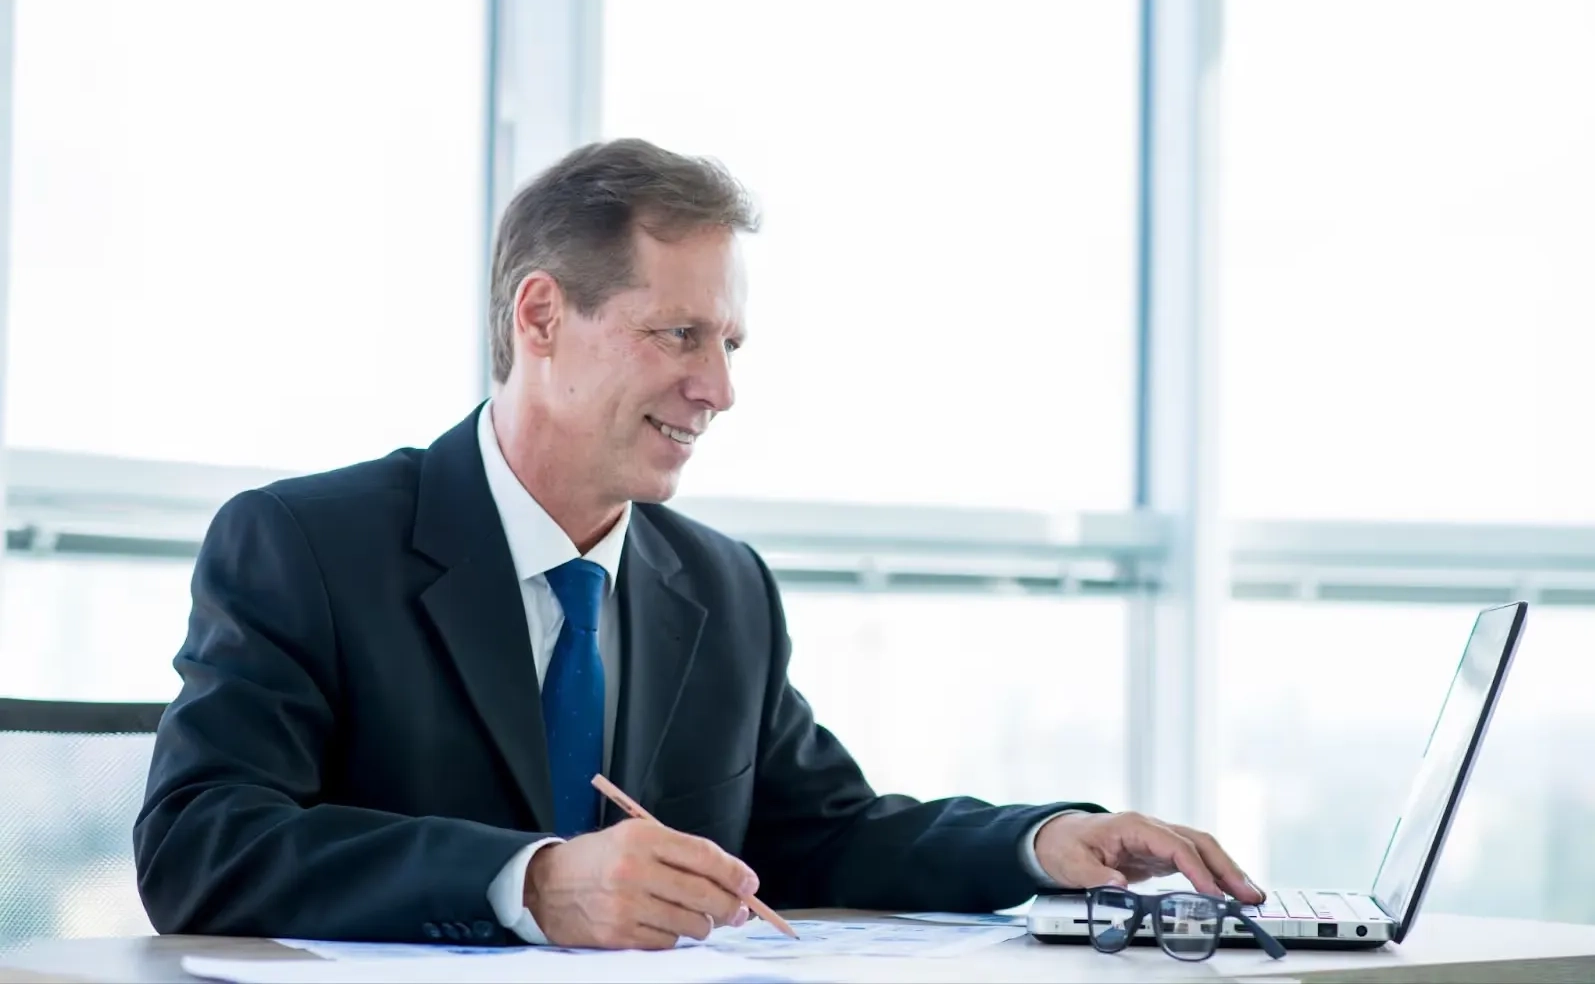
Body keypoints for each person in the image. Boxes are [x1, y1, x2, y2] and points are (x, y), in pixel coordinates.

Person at [133, 138, 1262, 949]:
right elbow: (202, 845)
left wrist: (1043, 840)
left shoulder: (719, 585)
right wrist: (528, 883)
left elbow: (822, 834)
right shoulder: (304, 545)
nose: (716, 388)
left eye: (727, 341)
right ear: (539, 318)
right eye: (678, 334)